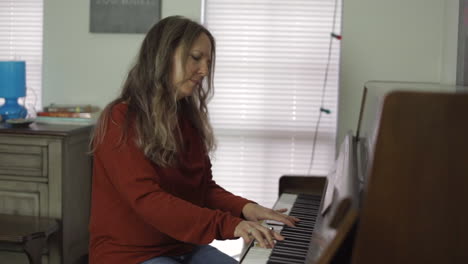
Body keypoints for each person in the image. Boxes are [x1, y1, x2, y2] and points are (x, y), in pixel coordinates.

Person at [88, 16, 299, 264]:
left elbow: (204, 189)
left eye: (208, 62)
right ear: (163, 55)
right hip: (130, 255)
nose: (204, 71)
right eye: (196, 58)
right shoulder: (119, 120)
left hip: (184, 248)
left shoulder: (186, 119)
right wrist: (232, 226)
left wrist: (247, 209)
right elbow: (149, 201)